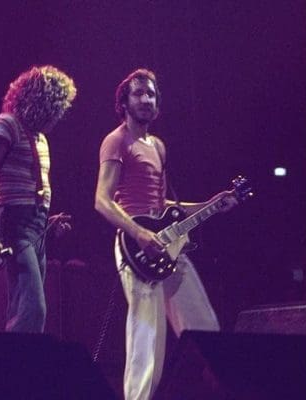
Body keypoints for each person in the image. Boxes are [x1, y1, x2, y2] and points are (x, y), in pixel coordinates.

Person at [95, 68, 238, 400]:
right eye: (139, 93)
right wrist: (139, 234)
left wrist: (211, 204)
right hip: (136, 247)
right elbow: (102, 200)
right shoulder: (117, 140)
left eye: (151, 94)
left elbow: (164, 208)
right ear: (124, 102)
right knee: (147, 339)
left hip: (168, 244)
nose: (146, 99)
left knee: (205, 328)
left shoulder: (158, 146)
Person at [0, 65, 77, 333]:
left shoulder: (40, 139)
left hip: (36, 229)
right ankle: (18, 360)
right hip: (14, 227)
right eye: (57, 108)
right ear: (42, 103)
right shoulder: (6, 125)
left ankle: (14, 359)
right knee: (32, 309)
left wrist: (47, 222)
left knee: (24, 309)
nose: (60, 115)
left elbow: (27, 190)